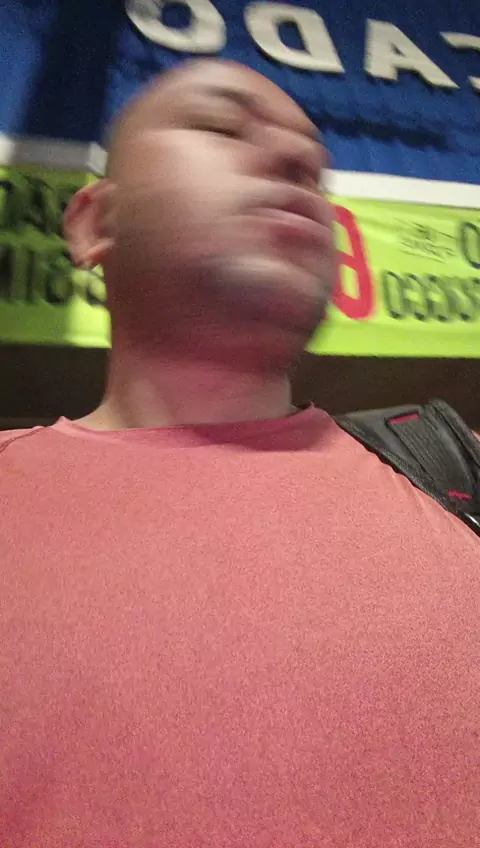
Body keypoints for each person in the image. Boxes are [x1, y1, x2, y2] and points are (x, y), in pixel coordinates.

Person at [1, 59, 478, 847]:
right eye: (221, 126)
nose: (296, 161)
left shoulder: (452, 472)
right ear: (93, 222)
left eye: (316, 170)